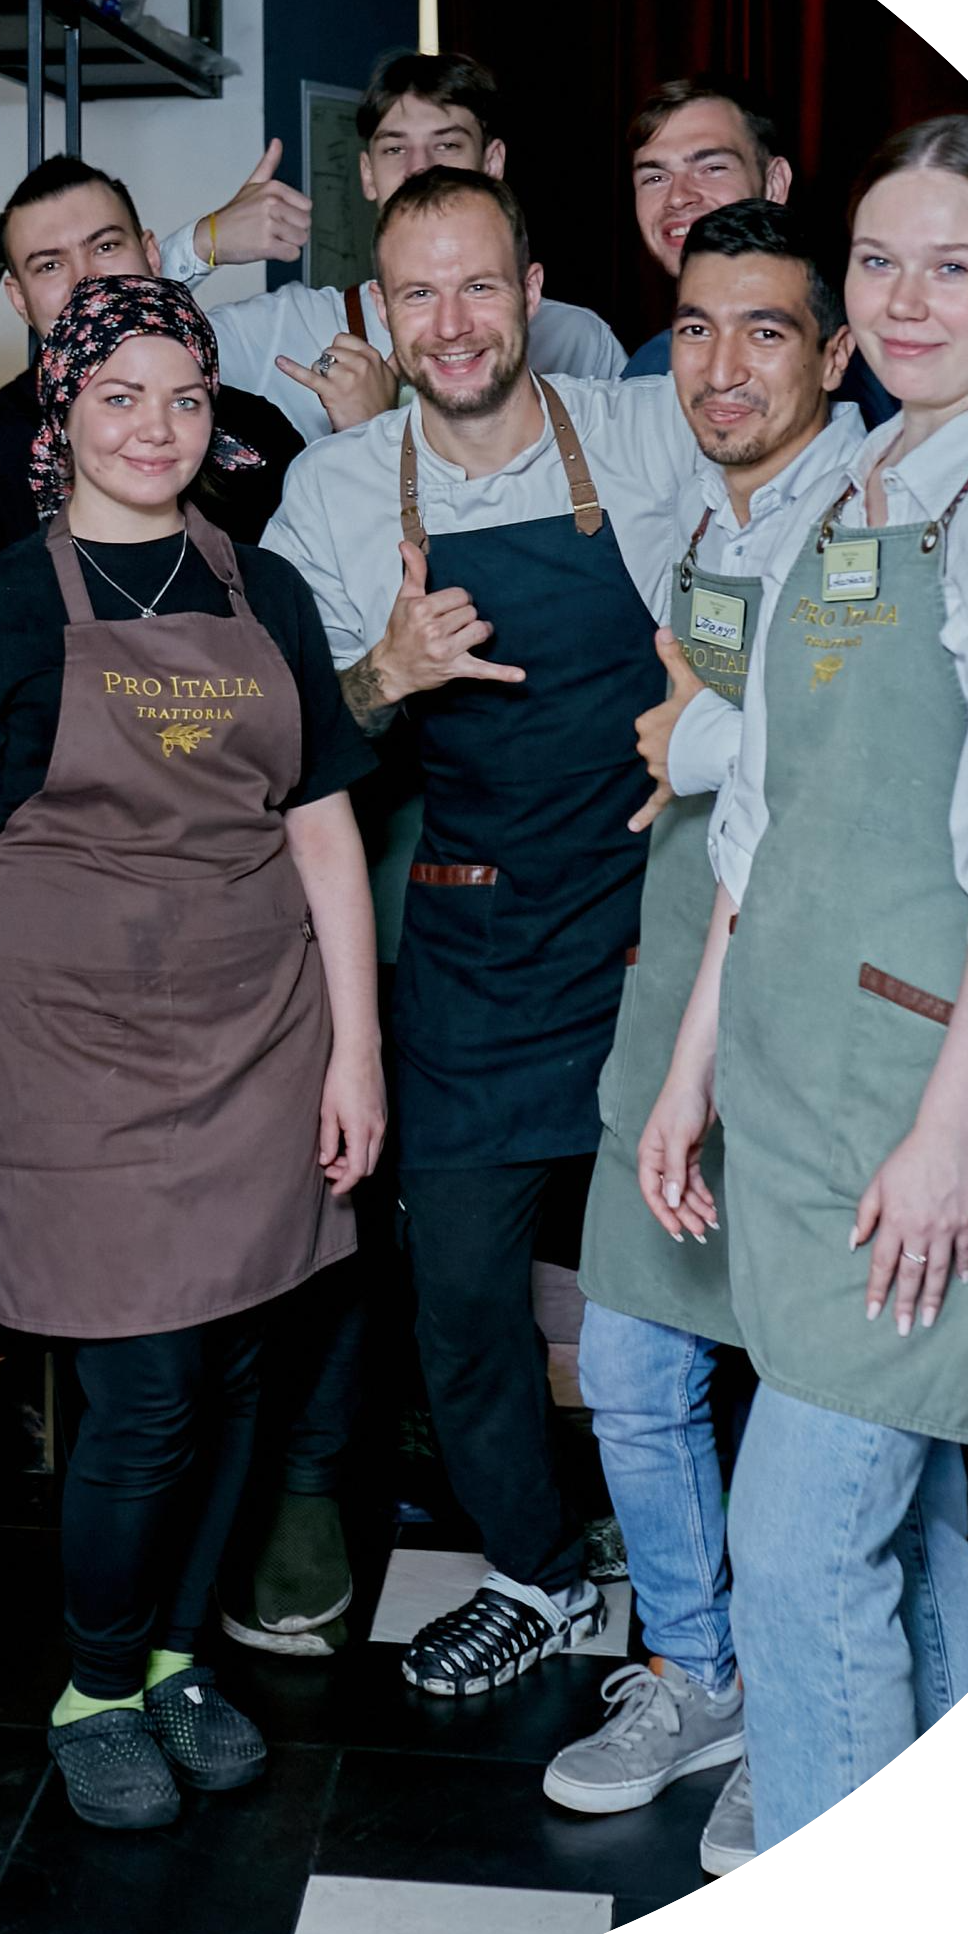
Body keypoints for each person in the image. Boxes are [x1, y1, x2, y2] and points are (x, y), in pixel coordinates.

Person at [637, 115, 968, 1854]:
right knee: (908, 1528)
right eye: (879, 262)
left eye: (955, 263)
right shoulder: (858, 485)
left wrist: (948, 1142)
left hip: (922, 1100)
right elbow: (763, 821)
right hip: (794, 1083)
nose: (908, 299)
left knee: (795, 1546)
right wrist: (693, 1068)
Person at [0, 274, 383, 1830]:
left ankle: (170, 1657)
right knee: (145, 1387)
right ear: (64, 413)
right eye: (119, 396)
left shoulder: (264, 587)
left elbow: (324, 831)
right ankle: (94, 1681)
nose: (156, 428)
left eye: (185, 398)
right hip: (76, 1046)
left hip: (260, 1026)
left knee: (238, 1369)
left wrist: (355, 1052)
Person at [261, 166, 701, 1698]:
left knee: (680, 1293)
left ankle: (698, 1603)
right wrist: (382, 673)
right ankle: (536, 1568)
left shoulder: (649, 435)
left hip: (657, 934)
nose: (450, 324)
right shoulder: (335, 490)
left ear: (531, 294)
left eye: (477, 285)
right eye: (418, 294)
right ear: (383, 314)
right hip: (469, 942)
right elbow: (287, 750)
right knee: (455, 1290)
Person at [544, 199, 864, 1874]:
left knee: (818, 1397)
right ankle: (697, 1673)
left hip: (811, 1031)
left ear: (837, 351)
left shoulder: (875, 518)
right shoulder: (708, 514)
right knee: (627, 1364)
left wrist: (700, 744)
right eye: (695, 328)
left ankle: (804, 1722)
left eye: (765, 330)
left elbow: (851, 761)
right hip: (673, 994)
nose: (721, 365)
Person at [0, 153, 305, 616]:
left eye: (106, 247)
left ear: (152, 255)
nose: (86, 279)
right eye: (49, 266)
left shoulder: (259, 431)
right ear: (19, 299)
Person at [157, 53, 628, 443]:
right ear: (367, 174)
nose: (419, 169)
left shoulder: (577, 341)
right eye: (395, 149)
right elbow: (121, 354)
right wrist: (202, 243)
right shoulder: (291, 328)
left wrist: (374, 425)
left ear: (492, 162)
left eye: (447, 145)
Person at [622, 73, 898, 426]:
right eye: (655, 177)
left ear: (774, 182)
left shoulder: (880, 369)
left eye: (712, 168)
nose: (677, 197)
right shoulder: (647, 368)